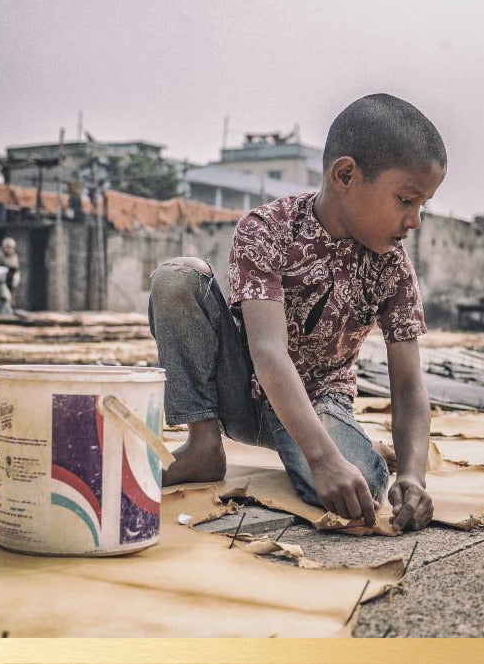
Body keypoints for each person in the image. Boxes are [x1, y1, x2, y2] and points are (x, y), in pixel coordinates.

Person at [147, 93, 445, 533]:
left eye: (422, 205)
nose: (415, 220)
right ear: (345, 175)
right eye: (406, 200)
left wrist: (413, 477)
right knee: (177, 277)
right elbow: (267, 352)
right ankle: (203, 445)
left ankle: (354, 446)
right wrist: (323, 460)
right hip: (242, 392)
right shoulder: (268, 229)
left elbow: (409, 385)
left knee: (361, 485)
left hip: (320, 400)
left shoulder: (391, 268)